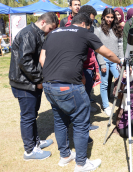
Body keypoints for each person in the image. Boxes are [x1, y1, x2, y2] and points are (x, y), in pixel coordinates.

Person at [40, 12, 121, 171]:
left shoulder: (53, 33)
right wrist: (120, 61)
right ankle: (81, 163)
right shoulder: (84, 32)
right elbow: (108, 53)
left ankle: (65, 156)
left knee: (60, 121)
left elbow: (42, 59)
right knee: (81, 124)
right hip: (69, 87)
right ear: (85, 24)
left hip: (49, 85)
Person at [9, 12, 58, 160]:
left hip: (30, 82)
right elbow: (25, 61)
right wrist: (38, 80)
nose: (50, 32)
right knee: (28, 117)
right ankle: (29, 151)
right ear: (43, 22)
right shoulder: (29, 34)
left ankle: (35, 142)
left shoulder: (36, 33)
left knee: (32, 115)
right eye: (50, 28)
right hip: (25, 83)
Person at [94, 8, 123, 116]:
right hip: (104, 60)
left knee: (120, 81)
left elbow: (120, 45)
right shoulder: (98, 30)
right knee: (105, 84)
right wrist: (101, 63)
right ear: (103, 17)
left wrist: (121, 59)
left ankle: (122, 103)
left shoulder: (117, 29)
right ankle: (106, 105)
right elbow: (97, 49)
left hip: (115, 60)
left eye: (112, 17)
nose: (110, 19)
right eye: (108, 17)